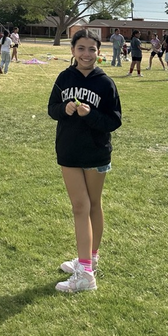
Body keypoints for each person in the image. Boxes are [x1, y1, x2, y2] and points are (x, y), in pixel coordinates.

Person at [48, 28, 122, 293]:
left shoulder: (105, 83)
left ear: (99, 52)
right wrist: (65, 109)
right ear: (73, 51)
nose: (86, 54)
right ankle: (86, 263)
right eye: (81, 48)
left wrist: (89, 115)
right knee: (80, 206)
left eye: (92, 49)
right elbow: (51, 110)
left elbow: (114, 121)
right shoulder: (64, 77)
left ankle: (87, 268)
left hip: (95, 152)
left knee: (91, 206)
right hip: (69, 151)